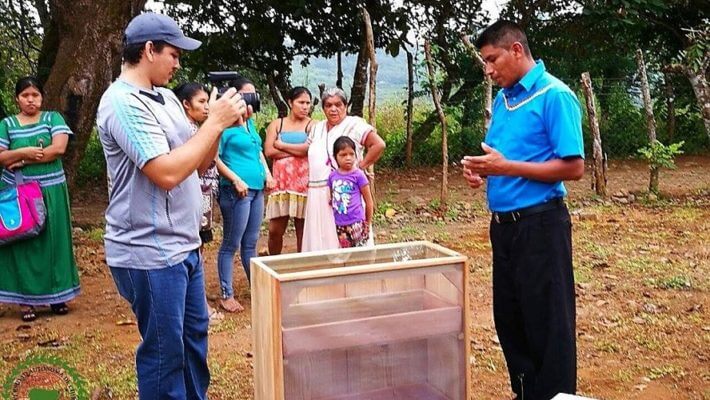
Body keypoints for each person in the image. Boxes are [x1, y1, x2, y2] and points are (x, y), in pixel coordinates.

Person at [96, 12, 247, 399]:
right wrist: (213, 123)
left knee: (193, 340)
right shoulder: (122, 103)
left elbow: (198, 161)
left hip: (185, 245)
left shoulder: (163, 96)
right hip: (149, 252)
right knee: (165, 354)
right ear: (149, 50)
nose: (178, 63)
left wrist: (218, 125)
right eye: (174, 54)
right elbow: (164, 172)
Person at [461, 20, 584, 400]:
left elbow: (574, 167)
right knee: (512, 318)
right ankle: (526, 392)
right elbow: (502, 158)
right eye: (484, 62)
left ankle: (556, 396)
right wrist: (480, 171)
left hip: (541, 224)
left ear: (516, 50)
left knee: (548, 322)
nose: (489, 70)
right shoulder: (505, 100)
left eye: (492, 59)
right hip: (504, 228)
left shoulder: (554, 96)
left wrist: (506, 168)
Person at [0, 76, 80, 322]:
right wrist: (24, 151)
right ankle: (25, 301)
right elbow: (2, 158)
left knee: (54, 241)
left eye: (35, 95)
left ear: (42, 97)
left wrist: (21, 159)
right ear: (17, 99)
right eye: (25, 95)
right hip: (18, 192)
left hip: (51, 189)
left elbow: (58, 149)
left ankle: (57, 297)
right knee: (22, 242)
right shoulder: (7, 124)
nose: (30, 100)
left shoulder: (53, 118)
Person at [216, 76, 275, 312]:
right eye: (246, 95)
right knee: (231, 243)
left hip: (257, 189)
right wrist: (235, 179)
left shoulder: (249, 123)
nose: (251, 99)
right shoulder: (223, 124)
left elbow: (258, 151)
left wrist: (267, 174)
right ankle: (226, 294)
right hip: (236, 191)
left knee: (250, 243)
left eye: (254, 94)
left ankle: (257, 288)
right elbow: (214, 157)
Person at [301, 87, 385, 252]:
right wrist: (279, 147)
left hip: (346, 192)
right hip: (317, 192)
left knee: (347, 239)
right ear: (323, 108)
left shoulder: (355, 124)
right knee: (320, 237)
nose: (333, 109)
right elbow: (305, 150)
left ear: (345, 106)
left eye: (338, 104)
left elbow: (378, 144)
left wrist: (359, 168)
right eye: (328, 105)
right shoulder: (317, 128)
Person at [174, 82, 224, 326]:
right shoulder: (184, 131)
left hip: (204, 193)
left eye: (208, 102)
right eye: (201, 102)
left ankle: (195, 302)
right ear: (185, 104)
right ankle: (196, 305)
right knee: (194, 247)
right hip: (191, 194)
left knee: (200, 245)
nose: (206, 107)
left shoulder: (198, 128)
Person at [263, 86, 312, 254]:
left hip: (304, 185)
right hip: (281, 185)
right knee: (275, 231)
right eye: (301, 102)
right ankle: (274, 264)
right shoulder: (277, 124)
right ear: (290, 102)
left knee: (302, 231)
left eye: (308, 103)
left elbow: (309, 150)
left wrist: (282, 146)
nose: (305, 107)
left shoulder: (314, 125)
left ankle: (301, 268)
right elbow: (269, 151)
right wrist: (299, 151)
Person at [328, 136, 374, 248]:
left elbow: (369, 202)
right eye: (343, 155)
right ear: (335, 157)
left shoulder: (359, 175)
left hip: (357, 223)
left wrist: (367, 223)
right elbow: (332, 196)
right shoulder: (332, 176)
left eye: (351, 154)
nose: (348, 158)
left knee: (360, 252)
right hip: (340, 224)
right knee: (346, 252)